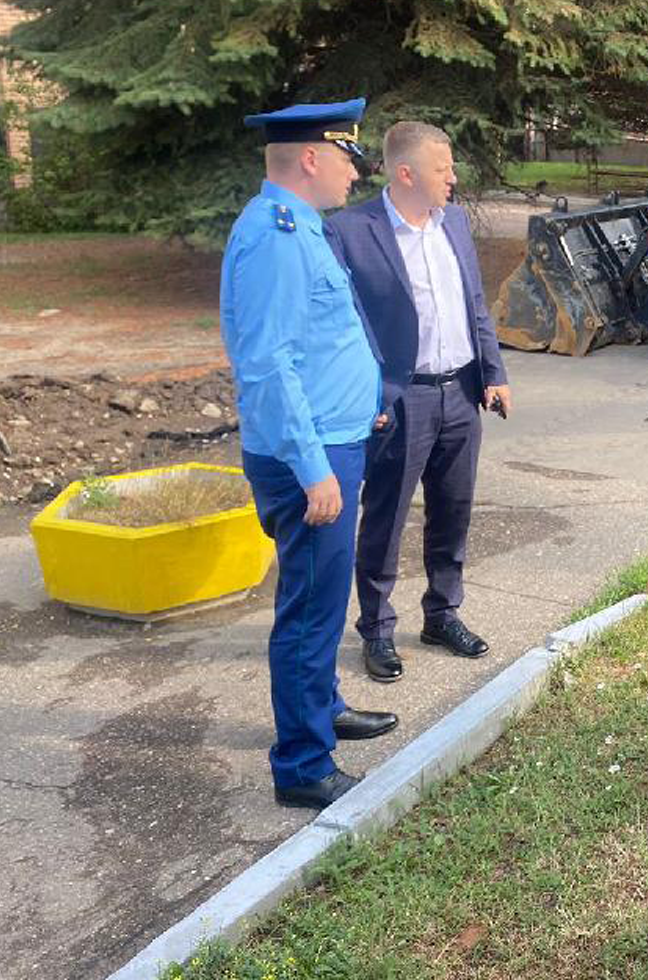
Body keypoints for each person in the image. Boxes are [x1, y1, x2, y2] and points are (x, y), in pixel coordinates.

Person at [220, 98, 399, 812]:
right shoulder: (274, 235)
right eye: (350, 157)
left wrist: (363, 401)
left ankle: (320, 710)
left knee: (325, 598)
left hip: (334, 436)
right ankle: (300, 763)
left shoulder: (304, 228)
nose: (356, 172)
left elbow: (321, 341)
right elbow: (265, 364)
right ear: (313, 159)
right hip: (311, 457)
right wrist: (313, 467)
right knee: (309, 611)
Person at [324, 120, 510, 684]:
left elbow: (474, 304)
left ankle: (441, 614)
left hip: (461, 393)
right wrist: (370, 395)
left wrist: (493, 372)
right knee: (385, 517)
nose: (453, 178)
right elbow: (348, 326)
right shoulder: (352, 231)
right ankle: (376, 630)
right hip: (400, 401)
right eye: (442, 169)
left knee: (453, 511)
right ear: (405, 173)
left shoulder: (452, 220)